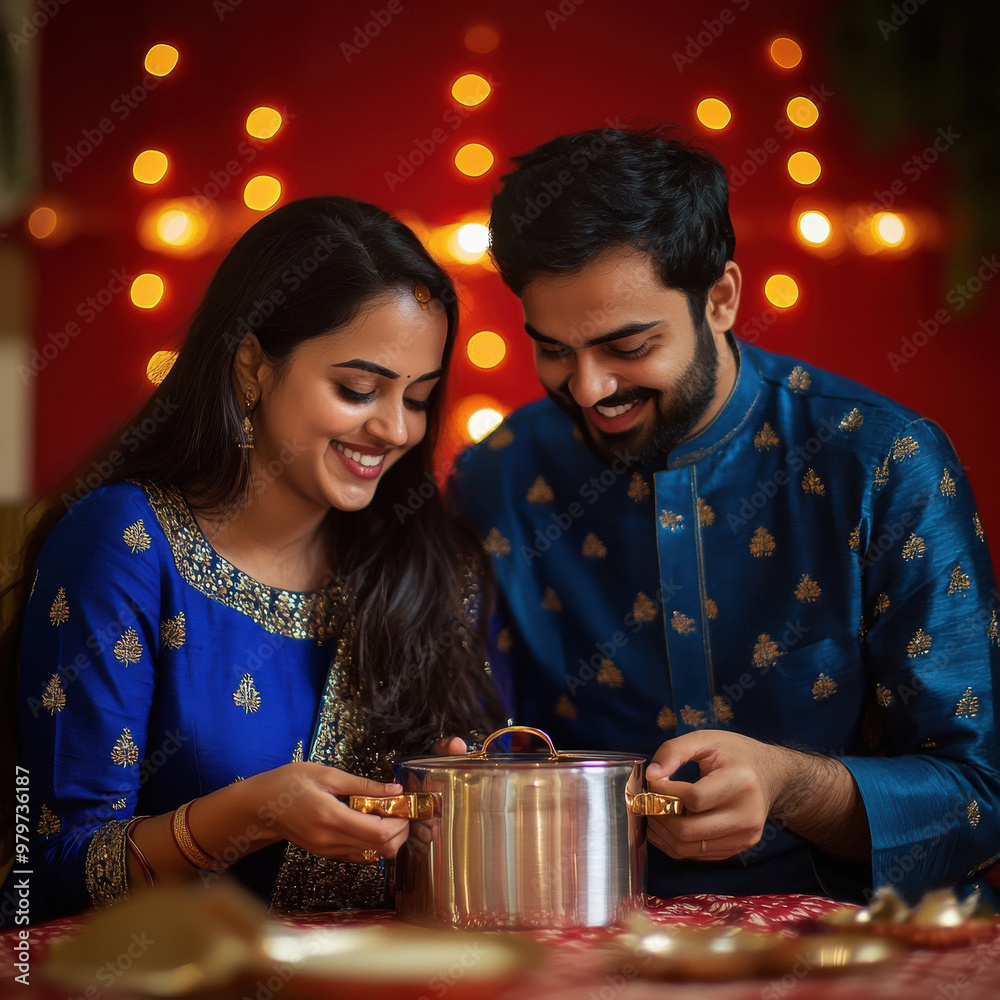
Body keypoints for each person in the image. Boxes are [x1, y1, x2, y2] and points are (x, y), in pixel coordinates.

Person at [450, 126, 1000, 904]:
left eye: (628, 346)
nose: (588, 390)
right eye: (553, 350)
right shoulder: (497, 479)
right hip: (590, 944)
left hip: (865, 950)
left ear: (721, 298)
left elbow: (981, 797)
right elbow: (478, 749)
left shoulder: (881, 462)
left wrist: (792, 787)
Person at [0, 196, 501, 925]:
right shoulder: (127, 544)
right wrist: (252, 813)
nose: (394, 429)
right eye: (357, 389)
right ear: (252, 366)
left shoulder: (429, 565)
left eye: (418, 398)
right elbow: (52, 871)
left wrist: (453, 809)